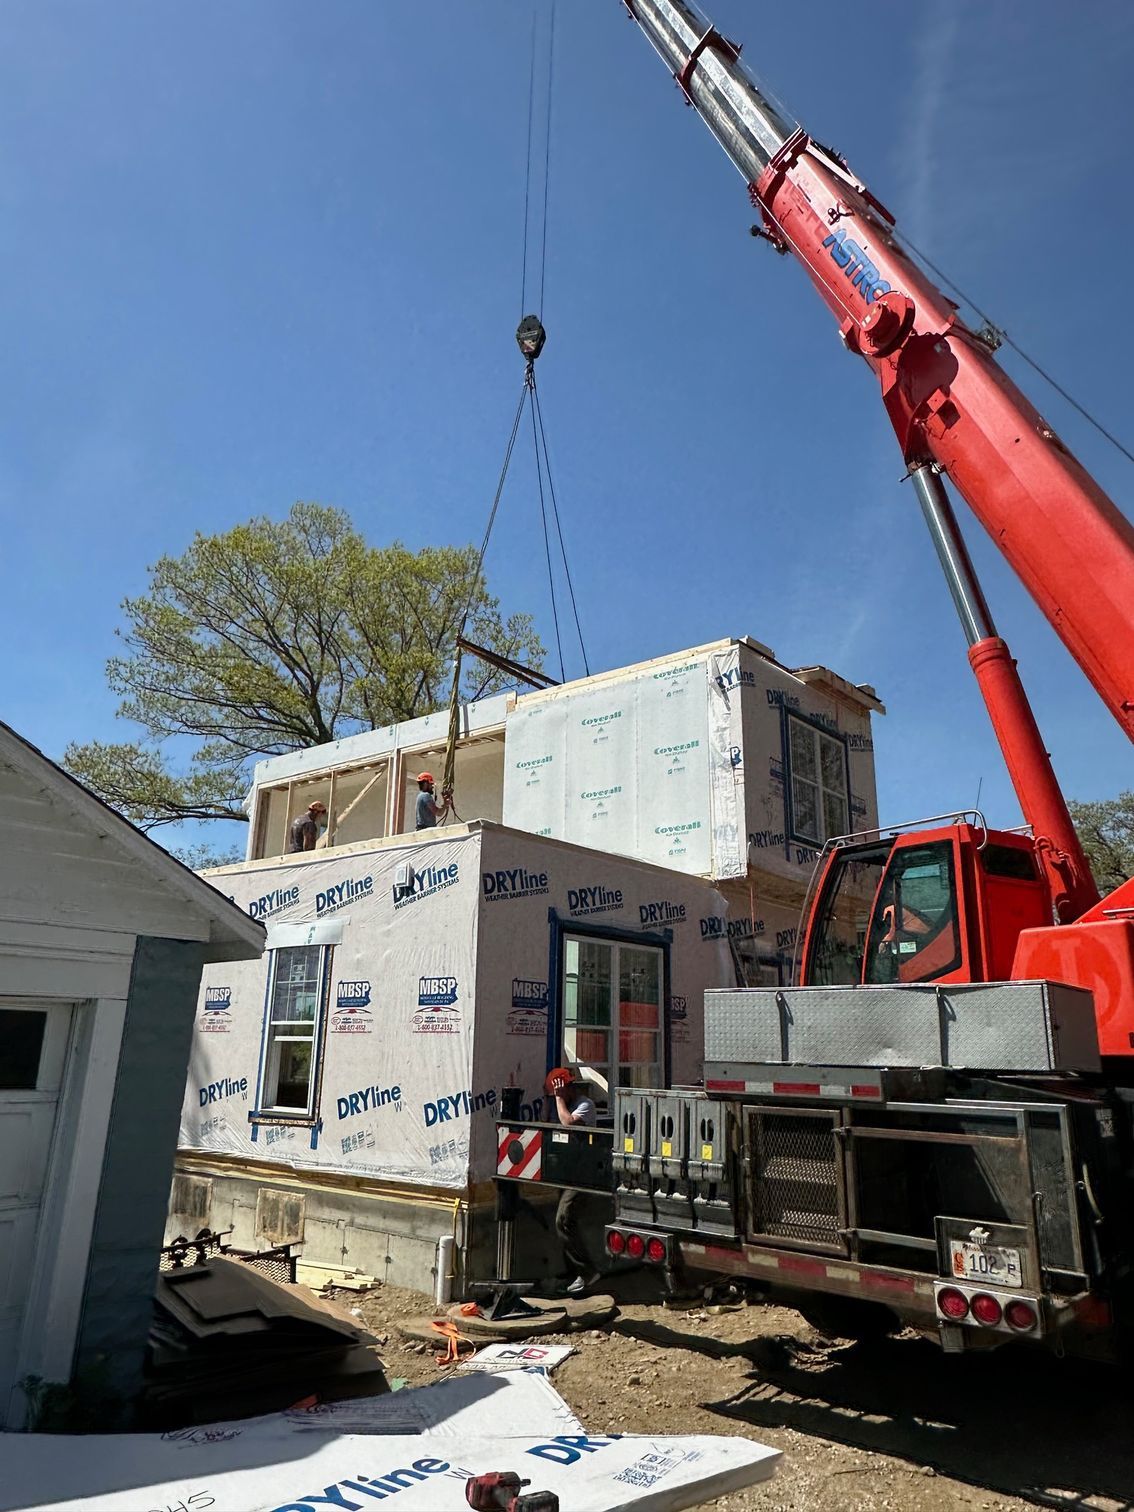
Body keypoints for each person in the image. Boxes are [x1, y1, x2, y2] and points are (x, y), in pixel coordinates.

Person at [546, 1065, 601, 1296]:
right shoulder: (564, 1106)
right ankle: (574, 1274)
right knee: (565, 1223)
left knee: (564, 1219)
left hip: (583, 1175)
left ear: (567, 1088)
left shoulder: (584, 1105)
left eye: (559, 1092)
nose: (556, 1098)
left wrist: (559, 1099)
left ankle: (588, 1272)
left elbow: (568, 1123)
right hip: (568, 1173)